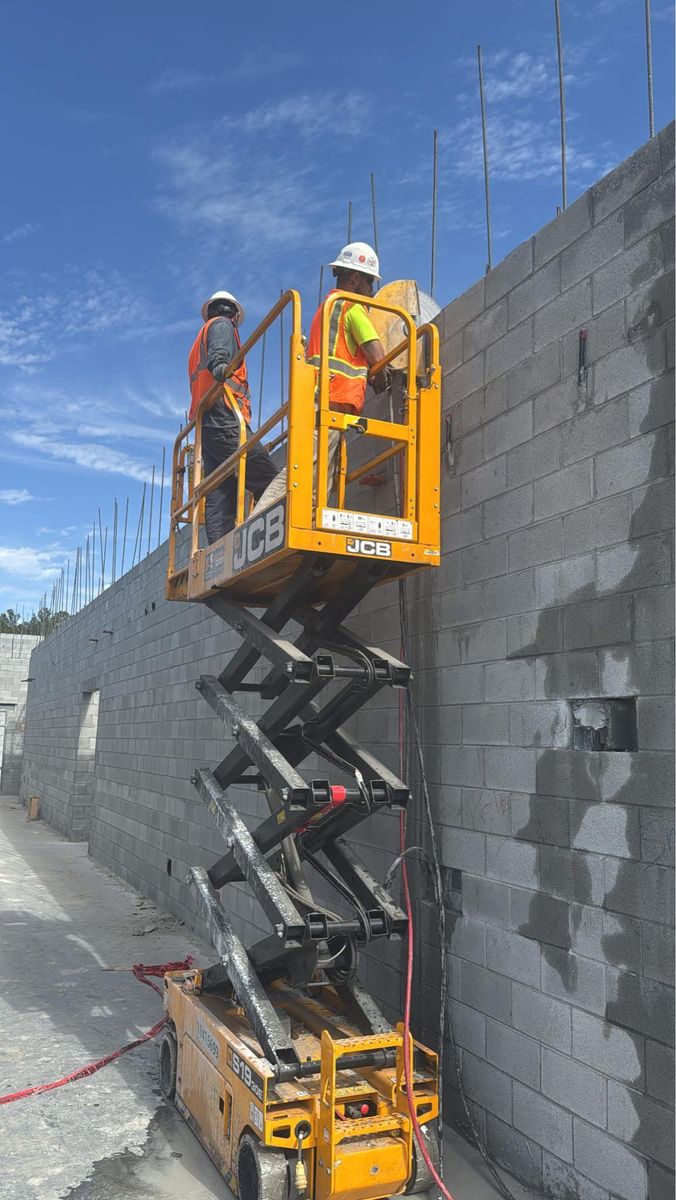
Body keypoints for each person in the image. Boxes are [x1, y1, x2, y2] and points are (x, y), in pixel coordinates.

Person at [252, 242, 387, 514]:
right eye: (370, 282)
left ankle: (303, 520)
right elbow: (378, 356)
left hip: (321, 404)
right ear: (356, 277)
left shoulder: (327, 308)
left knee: (318, 476)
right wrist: (382, 378)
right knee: (301, 475)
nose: (372, 291)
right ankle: (257, 522)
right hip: (327, 404)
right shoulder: (350, 308)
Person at [188, 291, 278, 543]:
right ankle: (264, 541)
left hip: (206, 424)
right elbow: (219, 361)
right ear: (234, 314)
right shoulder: (221, 326)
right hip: (225, 415)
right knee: (270, 479)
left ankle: (218, 550)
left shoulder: (198, 341)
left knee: (220, 491)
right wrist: (221, 367)